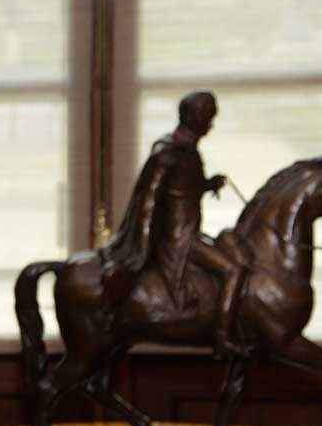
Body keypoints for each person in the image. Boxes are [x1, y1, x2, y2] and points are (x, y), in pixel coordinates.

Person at [101, 90, 248, 356]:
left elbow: (180, 190)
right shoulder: (168, 153)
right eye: (208, 118)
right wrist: (140, 248)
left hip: (189, 232)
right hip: (179, 240)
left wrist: (207, 185)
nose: (211, 125)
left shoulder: (188, 152)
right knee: (234, 270)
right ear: (193, 118)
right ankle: (224, 338)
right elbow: (149, 201)